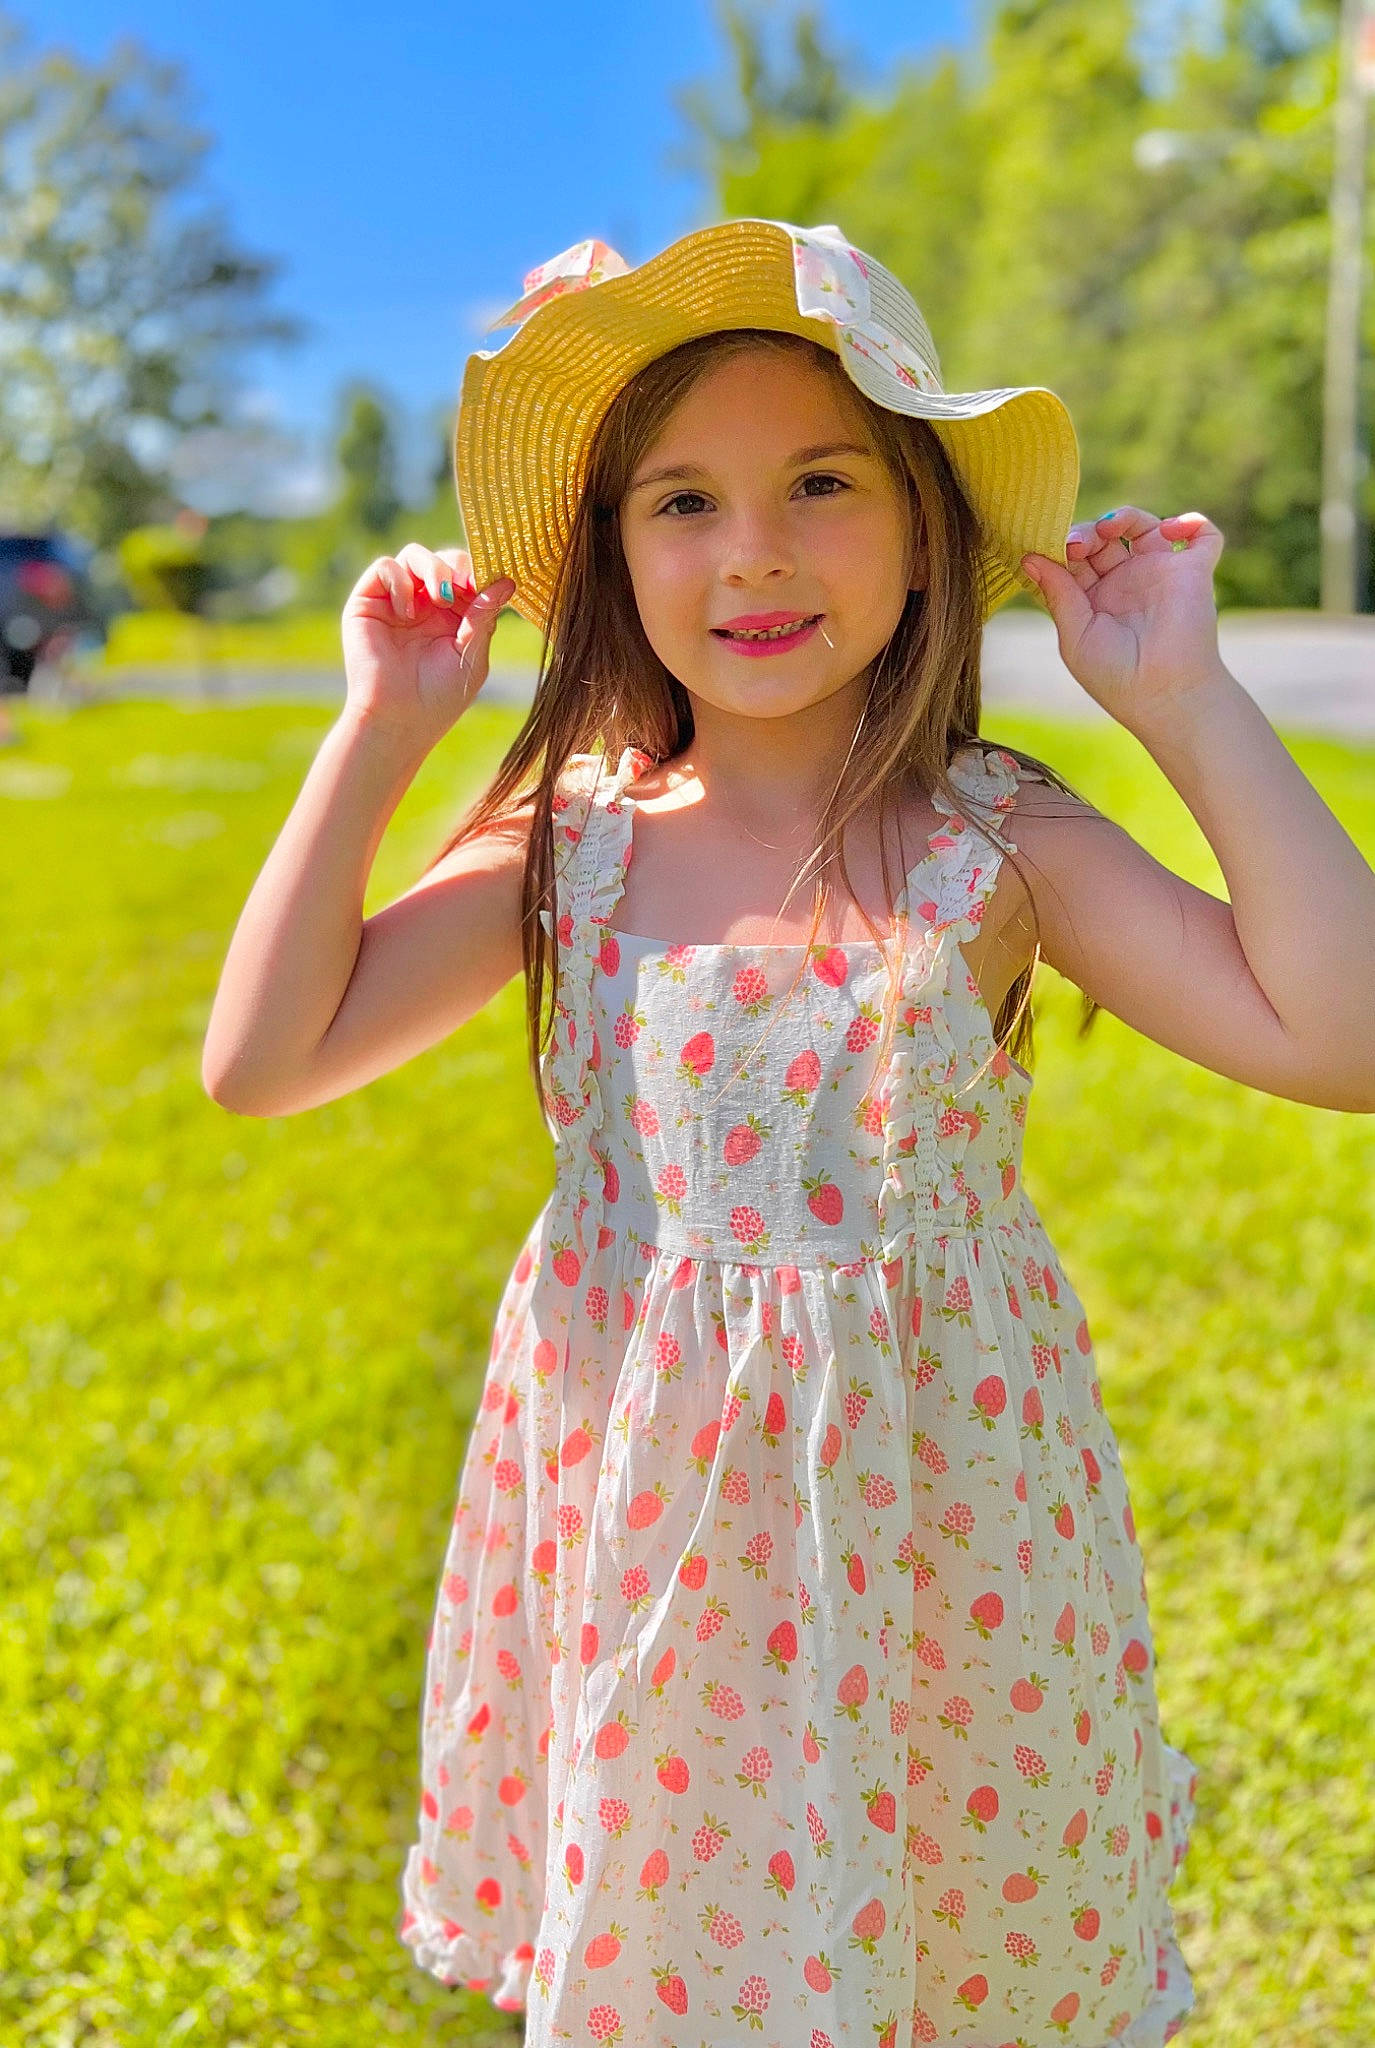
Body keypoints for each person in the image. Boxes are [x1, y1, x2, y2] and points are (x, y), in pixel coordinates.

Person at [202, 219, 1375, 2048]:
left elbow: (1345, 1035)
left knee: (947, 1940)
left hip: (944, 1540)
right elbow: (263, 1062)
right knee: (692, 1948)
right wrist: (379, 735)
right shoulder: (577, 839)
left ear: (924, 528)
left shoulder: (998, 839)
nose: (752, 550)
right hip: (654, 1534)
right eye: (682, 502)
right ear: (610, 558)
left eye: (820, 482)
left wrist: (1185, 699)